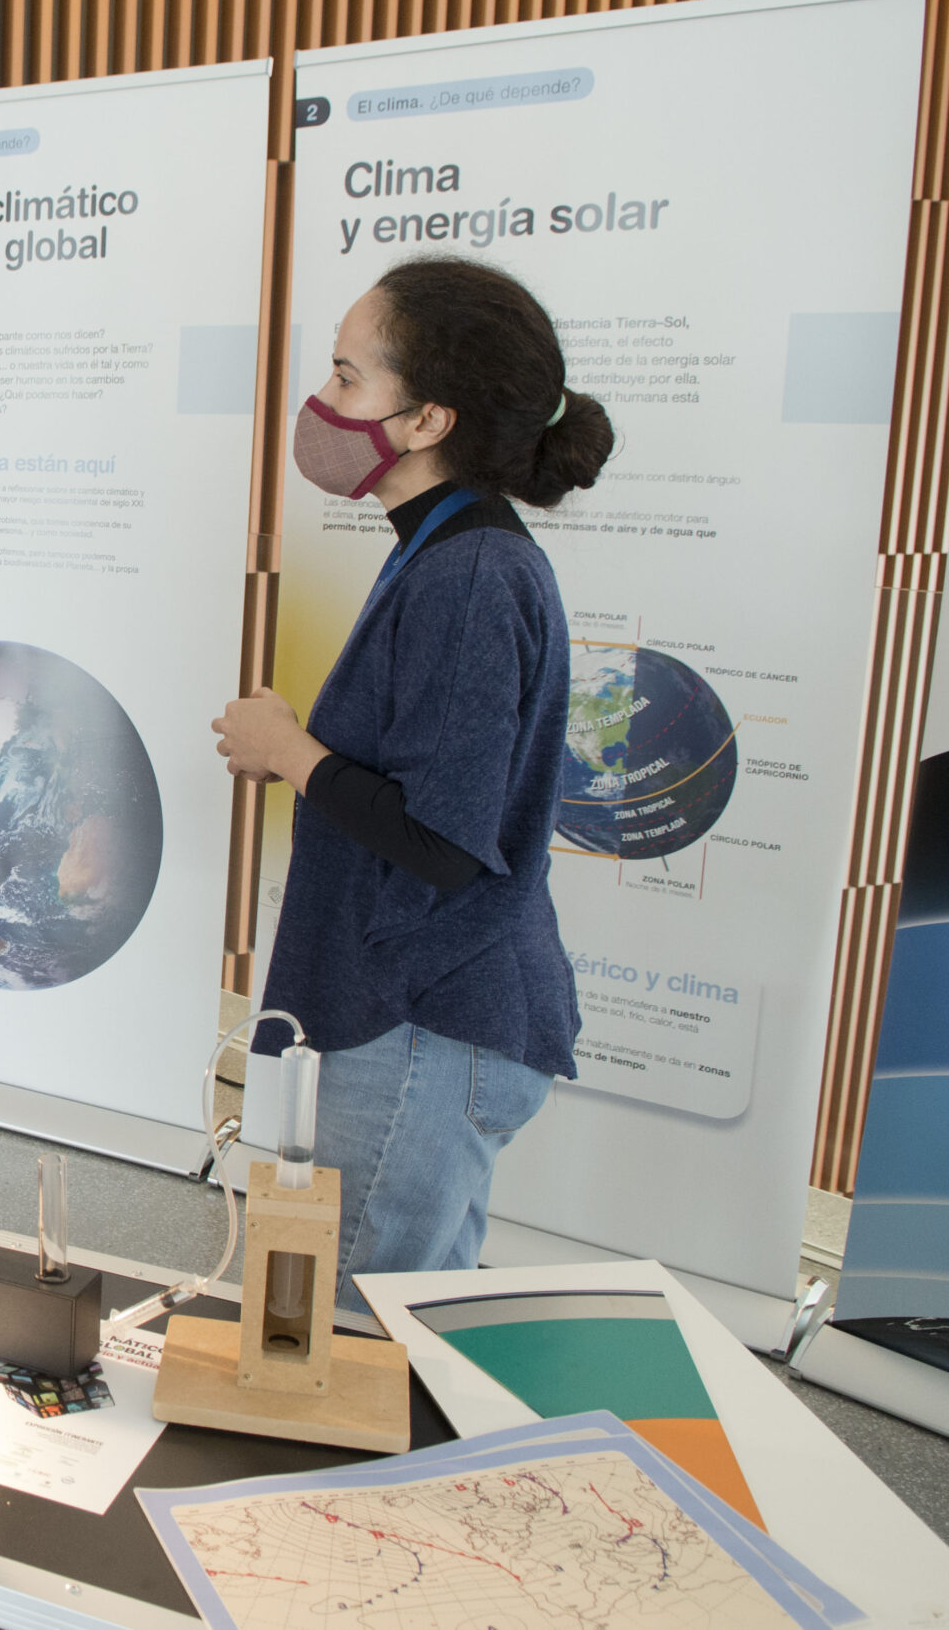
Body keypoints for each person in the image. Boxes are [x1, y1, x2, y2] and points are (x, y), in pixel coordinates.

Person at [212, 256, 608, 1315]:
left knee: (354, 1340)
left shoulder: (472, 574)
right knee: (405, 1336)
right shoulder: (440, 553)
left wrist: (285, 749)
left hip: (424, 1025)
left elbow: (438, 837)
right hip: (414, 1016)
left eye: (346, 377)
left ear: (428, 417)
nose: (322, 402)